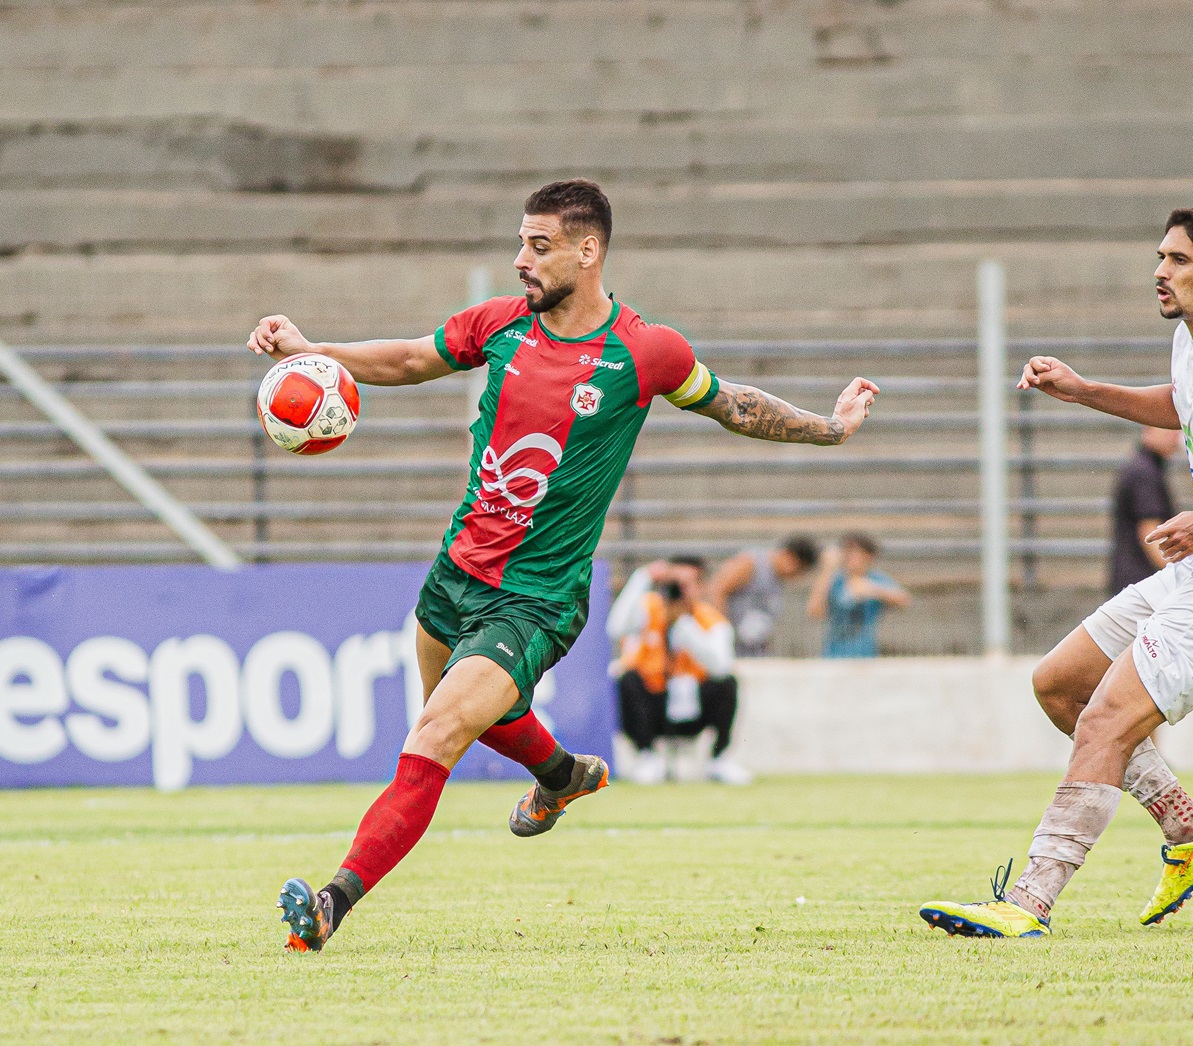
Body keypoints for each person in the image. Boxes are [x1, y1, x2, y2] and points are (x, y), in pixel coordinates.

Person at [248, 178, 880, 952]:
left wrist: (828, 428)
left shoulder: (644, 351)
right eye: (520, 242)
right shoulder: (501, 325)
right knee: (468, 722)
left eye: (537, 246)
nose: (521, 259)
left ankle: (329, 904)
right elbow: (414, 358)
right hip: (455, 572)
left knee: (437, 734)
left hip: (536, 597)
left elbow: (732, 404)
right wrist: (314, 350)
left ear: (588, 252)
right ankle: (561, 776)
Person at [920, 209, 1193, 939]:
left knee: (1104, 719)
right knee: (1061, 683)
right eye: (1159, 255)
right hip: (1185, 577)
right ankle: (1187, 831)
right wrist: (1081, 390)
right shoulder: (1184, 341)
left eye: (1177, 259)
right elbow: (1177, 403)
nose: (1159, 271)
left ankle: (1029, 902)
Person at [608, 558, 750, 785]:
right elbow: (616, 627)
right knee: (628, 679)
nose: (679, 591)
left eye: (688, 584)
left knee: (728, 683)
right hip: (655, 701)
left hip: (694, 704)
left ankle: (719, 759)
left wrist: (685, 627)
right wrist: (642, 579)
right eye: (675, 584)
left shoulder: (710, 619)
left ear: (701, 587)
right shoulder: (650, 609)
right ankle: (647, 756)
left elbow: (721, 667)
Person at [709, 537, 820, 656]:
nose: (795, 577)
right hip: (732, 646)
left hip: (752, 649)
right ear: (790, 558)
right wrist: (723, 633)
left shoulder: (778, 579)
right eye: (798, 570)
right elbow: (716, 590)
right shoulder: (751, 563)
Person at [805, 533, 910, 658]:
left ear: (869, 556)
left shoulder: (876, 579)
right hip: (833, 656)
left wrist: (873, 590)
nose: (850, 556)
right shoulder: (835, 580)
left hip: (865, 656)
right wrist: (827, 569)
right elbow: (814, 612)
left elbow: (904, 600)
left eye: (856, 552)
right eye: (847, 551)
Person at [1110, 426, 1182, 594]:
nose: (1175, 436)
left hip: (1133, 579)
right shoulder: (1145, 473)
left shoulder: (1144, 467)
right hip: (1142, 581)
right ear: (1149, 429)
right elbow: (1150, 533)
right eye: (1169, 429)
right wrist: (1179, 572)